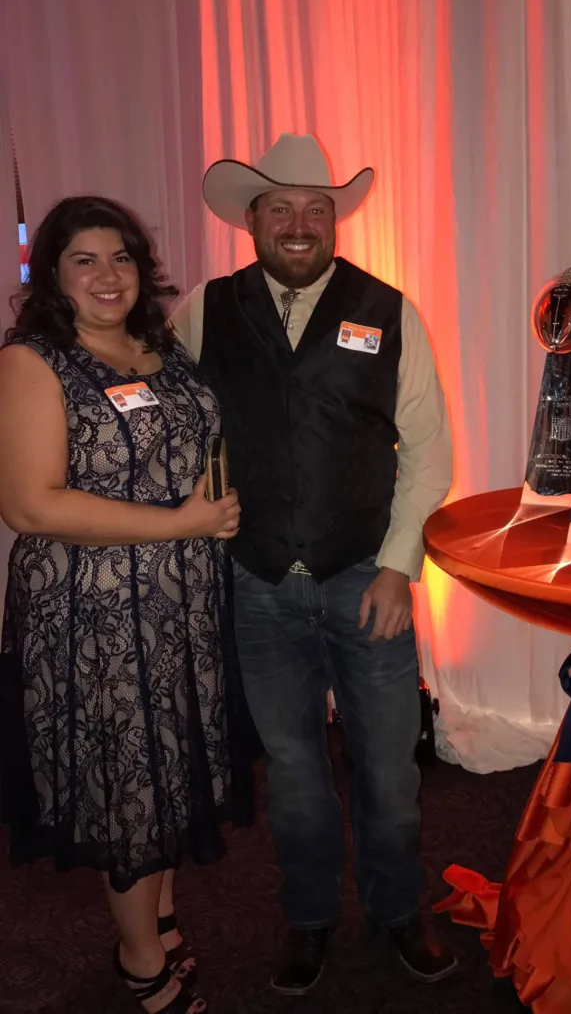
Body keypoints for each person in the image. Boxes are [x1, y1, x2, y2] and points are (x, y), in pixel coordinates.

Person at [171, 133, 456, 994]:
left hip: (364, 576)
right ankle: (307, 919)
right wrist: (198, 512)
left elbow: (430, 451)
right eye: (281, 208)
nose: (299, 223)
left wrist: (399, 567)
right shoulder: (202, 310)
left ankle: (398, 908)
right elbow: (178, 432)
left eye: (316, 209)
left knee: (387, 770)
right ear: (251, 219)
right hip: (258, 585)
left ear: (335, 220)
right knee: (294, 775)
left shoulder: (389, 307)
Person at [0, 196, 256, 1014]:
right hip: (92, 612)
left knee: (172, 759)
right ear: (52, 273)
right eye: (85, 259)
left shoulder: (159, 345)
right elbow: (31, 506)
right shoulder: (33, 362)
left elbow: (191, 445)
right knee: (128, 780)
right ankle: (140, 959)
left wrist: (214, 504)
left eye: (122, 257)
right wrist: (180, 520)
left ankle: (163, 915)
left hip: (179, 602)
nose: (108, 275)